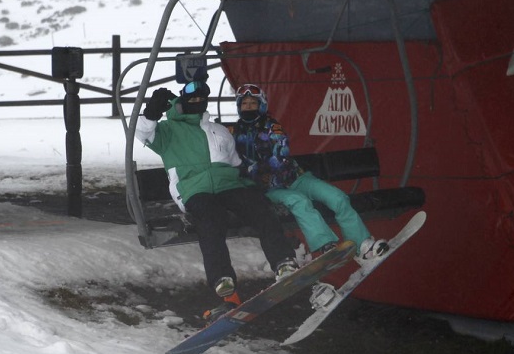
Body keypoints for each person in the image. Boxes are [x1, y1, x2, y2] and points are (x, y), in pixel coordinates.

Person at [135, 79, 298, 313]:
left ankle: (283, 262)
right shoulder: (167, 131)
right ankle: (222, 278)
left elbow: (234, 163)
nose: (197, 102)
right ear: (182, 100)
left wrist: (249, 184)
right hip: (194, 189)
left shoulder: (218, 130)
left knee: (259, 207)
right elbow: (141, 132)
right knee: (211, 218)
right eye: (191, 98)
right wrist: (152, 110)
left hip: (228, 185)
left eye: (202, 98)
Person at [230, 83, 389, 264]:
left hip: (295, 177)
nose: (249, 107)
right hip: (270, 188)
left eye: (253, 103)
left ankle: (363, 246)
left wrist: (262, 167)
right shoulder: (235, 133)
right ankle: (326, 245)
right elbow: (236, 162)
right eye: (245, 104)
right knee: (301, 202)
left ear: (261, 105)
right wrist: (253, 175)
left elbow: (281, 151)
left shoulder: (272, 126)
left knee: (337, 197)